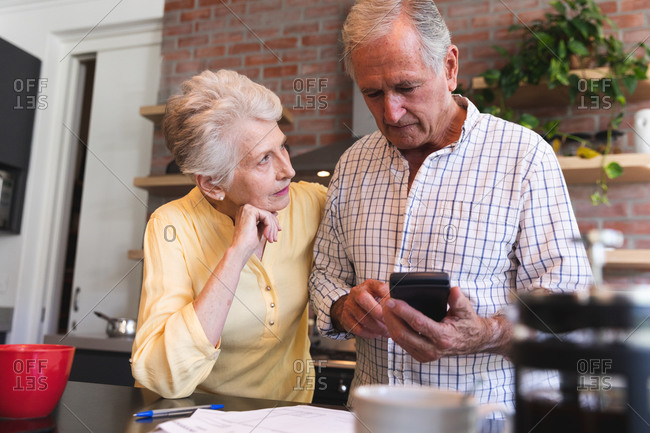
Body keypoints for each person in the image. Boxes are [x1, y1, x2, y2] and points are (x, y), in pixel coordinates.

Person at [309, 0, 592, 407]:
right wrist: (342, 308)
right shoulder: (352, 164)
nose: (391, 112)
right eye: (373, 93)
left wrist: (487, 333)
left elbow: (568, 308)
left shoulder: (524, 156)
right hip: (373, 419)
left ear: (449, 67)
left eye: (407, 87)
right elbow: (325, 275)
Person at [131, 70, 327, 402]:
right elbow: (165, 376)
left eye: (283, 148)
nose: (288, 170)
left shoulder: (312, 203)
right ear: (212, 184)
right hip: (196, 417)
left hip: (286, 418)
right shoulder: (172, 225)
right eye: (264, 159)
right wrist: (236, 254)